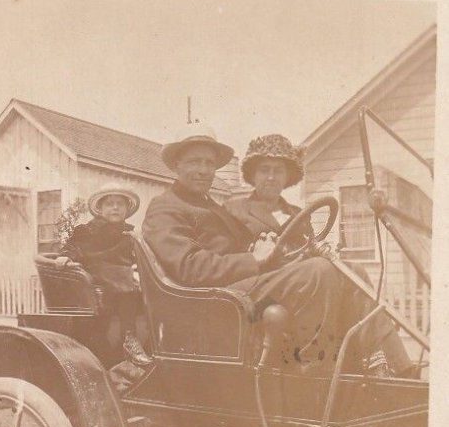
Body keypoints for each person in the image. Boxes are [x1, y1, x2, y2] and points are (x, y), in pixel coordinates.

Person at [142, 124, 356, 372]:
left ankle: (388, 366)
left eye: (209, 163)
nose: (203, 170)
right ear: (176, 165)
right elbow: (190, 268)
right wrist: (252, 259)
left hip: (235, 287)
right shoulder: (165, 206)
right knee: (318, 271)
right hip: (212, 300)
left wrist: (263, 250)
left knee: (345, 271)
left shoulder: (209, 205)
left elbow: (235, 248)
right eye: (194, 162)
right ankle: (314, 371)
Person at [224, 134, 414, 376]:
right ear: (252, 174)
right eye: (264, 170)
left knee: (354, 270)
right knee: (320, 272)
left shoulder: (295, 213)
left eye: (278, 171)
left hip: (306, 283)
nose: (271, 177)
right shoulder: (235, 210)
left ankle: (394, 365)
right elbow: (232, 260)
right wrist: (256, 251)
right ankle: (315, 372)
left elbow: (309, 248)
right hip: (267, 289)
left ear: (288, 176)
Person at [58, 183, 152, 368]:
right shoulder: (86, 231)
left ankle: (145, 340)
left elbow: (141, 256)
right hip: (95, 277)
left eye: (120, 204)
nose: (115, 207)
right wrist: (65, 257)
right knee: (126, 278)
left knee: (139, 284)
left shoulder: (129, 234)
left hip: (123, 282)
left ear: (127, 210)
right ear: (99, 209)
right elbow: (73, 248)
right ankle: (129, 336)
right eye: (110, 204)